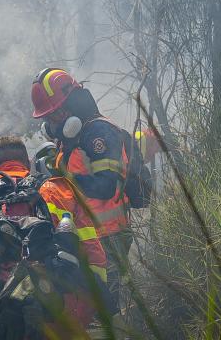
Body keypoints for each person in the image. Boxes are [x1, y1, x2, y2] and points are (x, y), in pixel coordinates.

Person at [0, 136, 106, 339]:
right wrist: (90, 306)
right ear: (28, 162)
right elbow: (93, 255)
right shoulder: (61, 190)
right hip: (53, 301)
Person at [31, 68, 132, 317]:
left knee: (103, 312)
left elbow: (105, 186)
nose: (52, 122)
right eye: (50, 117)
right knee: (81, 309)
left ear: (72, 103)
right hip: (86, 236)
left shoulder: (99, 132)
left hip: (109, 236)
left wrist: (64, 176)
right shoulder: (73, 137)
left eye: (55, 113)